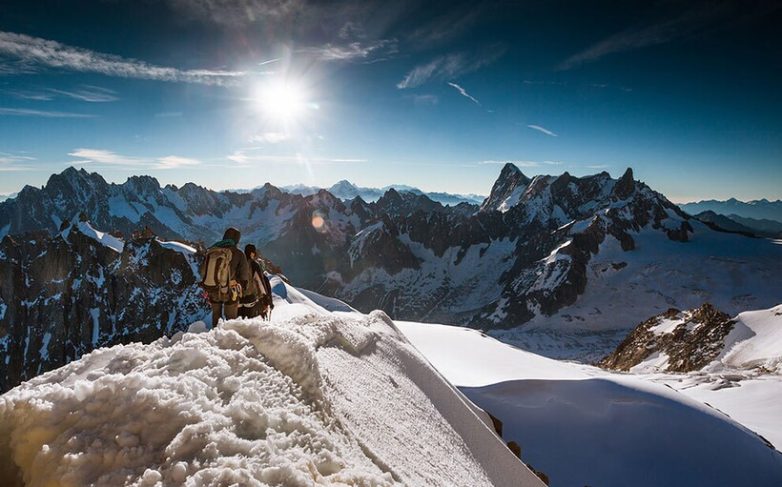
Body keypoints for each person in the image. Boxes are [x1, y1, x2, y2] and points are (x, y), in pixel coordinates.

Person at [201, 227, 250, 328]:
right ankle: (229, 340)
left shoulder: (212, 250)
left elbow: (202, 271)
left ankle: (215, 336)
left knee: (216, 317)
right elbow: (244, 276)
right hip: (231, 290)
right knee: (231, 319)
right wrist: (243, 290)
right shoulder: (239, 253)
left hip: (213, 288)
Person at [239, 244, 274, 320]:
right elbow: (261, 285)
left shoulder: (239, 264)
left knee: (240, 324)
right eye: (254, 253)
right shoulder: (254, 265)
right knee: (250, 325)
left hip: (238, 301)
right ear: (252, 253)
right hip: (250, 300)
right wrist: (267, 301)